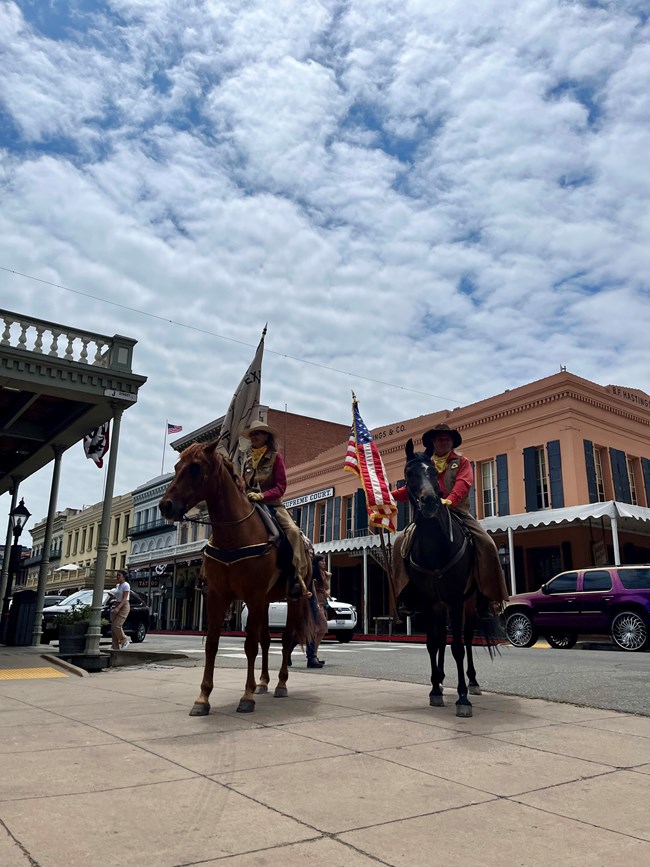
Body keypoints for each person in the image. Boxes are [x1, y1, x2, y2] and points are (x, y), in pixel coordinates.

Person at [392, 423, 509, 611]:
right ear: (433, 442)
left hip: (457, 512)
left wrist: (450, 500)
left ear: (452, 442)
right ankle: (405, 595)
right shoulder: (425, 463)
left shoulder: (461, 462)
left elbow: (464, 482)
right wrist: (389, 496)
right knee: (399, 544)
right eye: (440, 439)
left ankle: (489, 598)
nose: (444, 442)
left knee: (487, 545)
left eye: (447, 439)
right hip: (428, 514)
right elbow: (411, 488)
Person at [242, 419, 311, 597]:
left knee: (294, 532)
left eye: (257, 434)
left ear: (266, 437)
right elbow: (243, 485)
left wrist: (262, 496)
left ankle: (298, 577)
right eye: (251, 435)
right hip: (250, 505)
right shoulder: (248, 462)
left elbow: (281, 486)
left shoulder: (275, 457)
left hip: (272, 505)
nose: (253, 437)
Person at [111, 569, 131, 650]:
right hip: (117, 603)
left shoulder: (126, 585)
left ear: (124, 576)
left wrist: (119, 607)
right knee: (113, 627)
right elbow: (117, 596)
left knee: (117, 625)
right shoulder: (118, 586)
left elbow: (125, 598)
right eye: (117, 575)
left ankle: (124, 640)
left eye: (119, 575)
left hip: (124, 605)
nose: (117, 577)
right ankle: (115, 646)